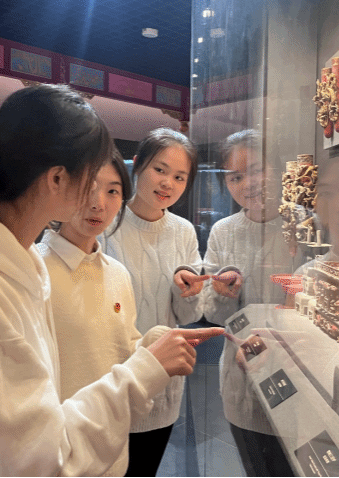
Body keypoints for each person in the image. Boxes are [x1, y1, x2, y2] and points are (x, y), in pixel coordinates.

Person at [0, 84, 222, 477]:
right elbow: (38, 462)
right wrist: (142, 372)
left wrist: (146, 352)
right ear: (58, 178)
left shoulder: (17, 264)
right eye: (92, 176)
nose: (98, 199)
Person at [39, 147, 181, 476]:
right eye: (87, 188)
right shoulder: (36, 271)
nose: (98, 203)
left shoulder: (116, 273)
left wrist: (154, 345)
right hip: (58, 455)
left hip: (113, 449)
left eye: (113, 191)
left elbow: (122, 350)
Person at [99, 128, 209, 477]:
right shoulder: (106, 222)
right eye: (160, 170)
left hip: (162, 380)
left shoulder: (184, 231)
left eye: (179, 177)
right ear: (137, 165)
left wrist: (188, 291)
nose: (167, 183)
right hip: (111, 376)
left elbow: (189, 315)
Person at [202, 129, 293, 477]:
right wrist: (222, 293)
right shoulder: (223, 231)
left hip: (294, 371)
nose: (248, 183)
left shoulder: (303, 224)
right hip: (240, 376)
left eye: (256, 170)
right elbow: (213, 314)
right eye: (235, 177)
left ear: (277, 169)